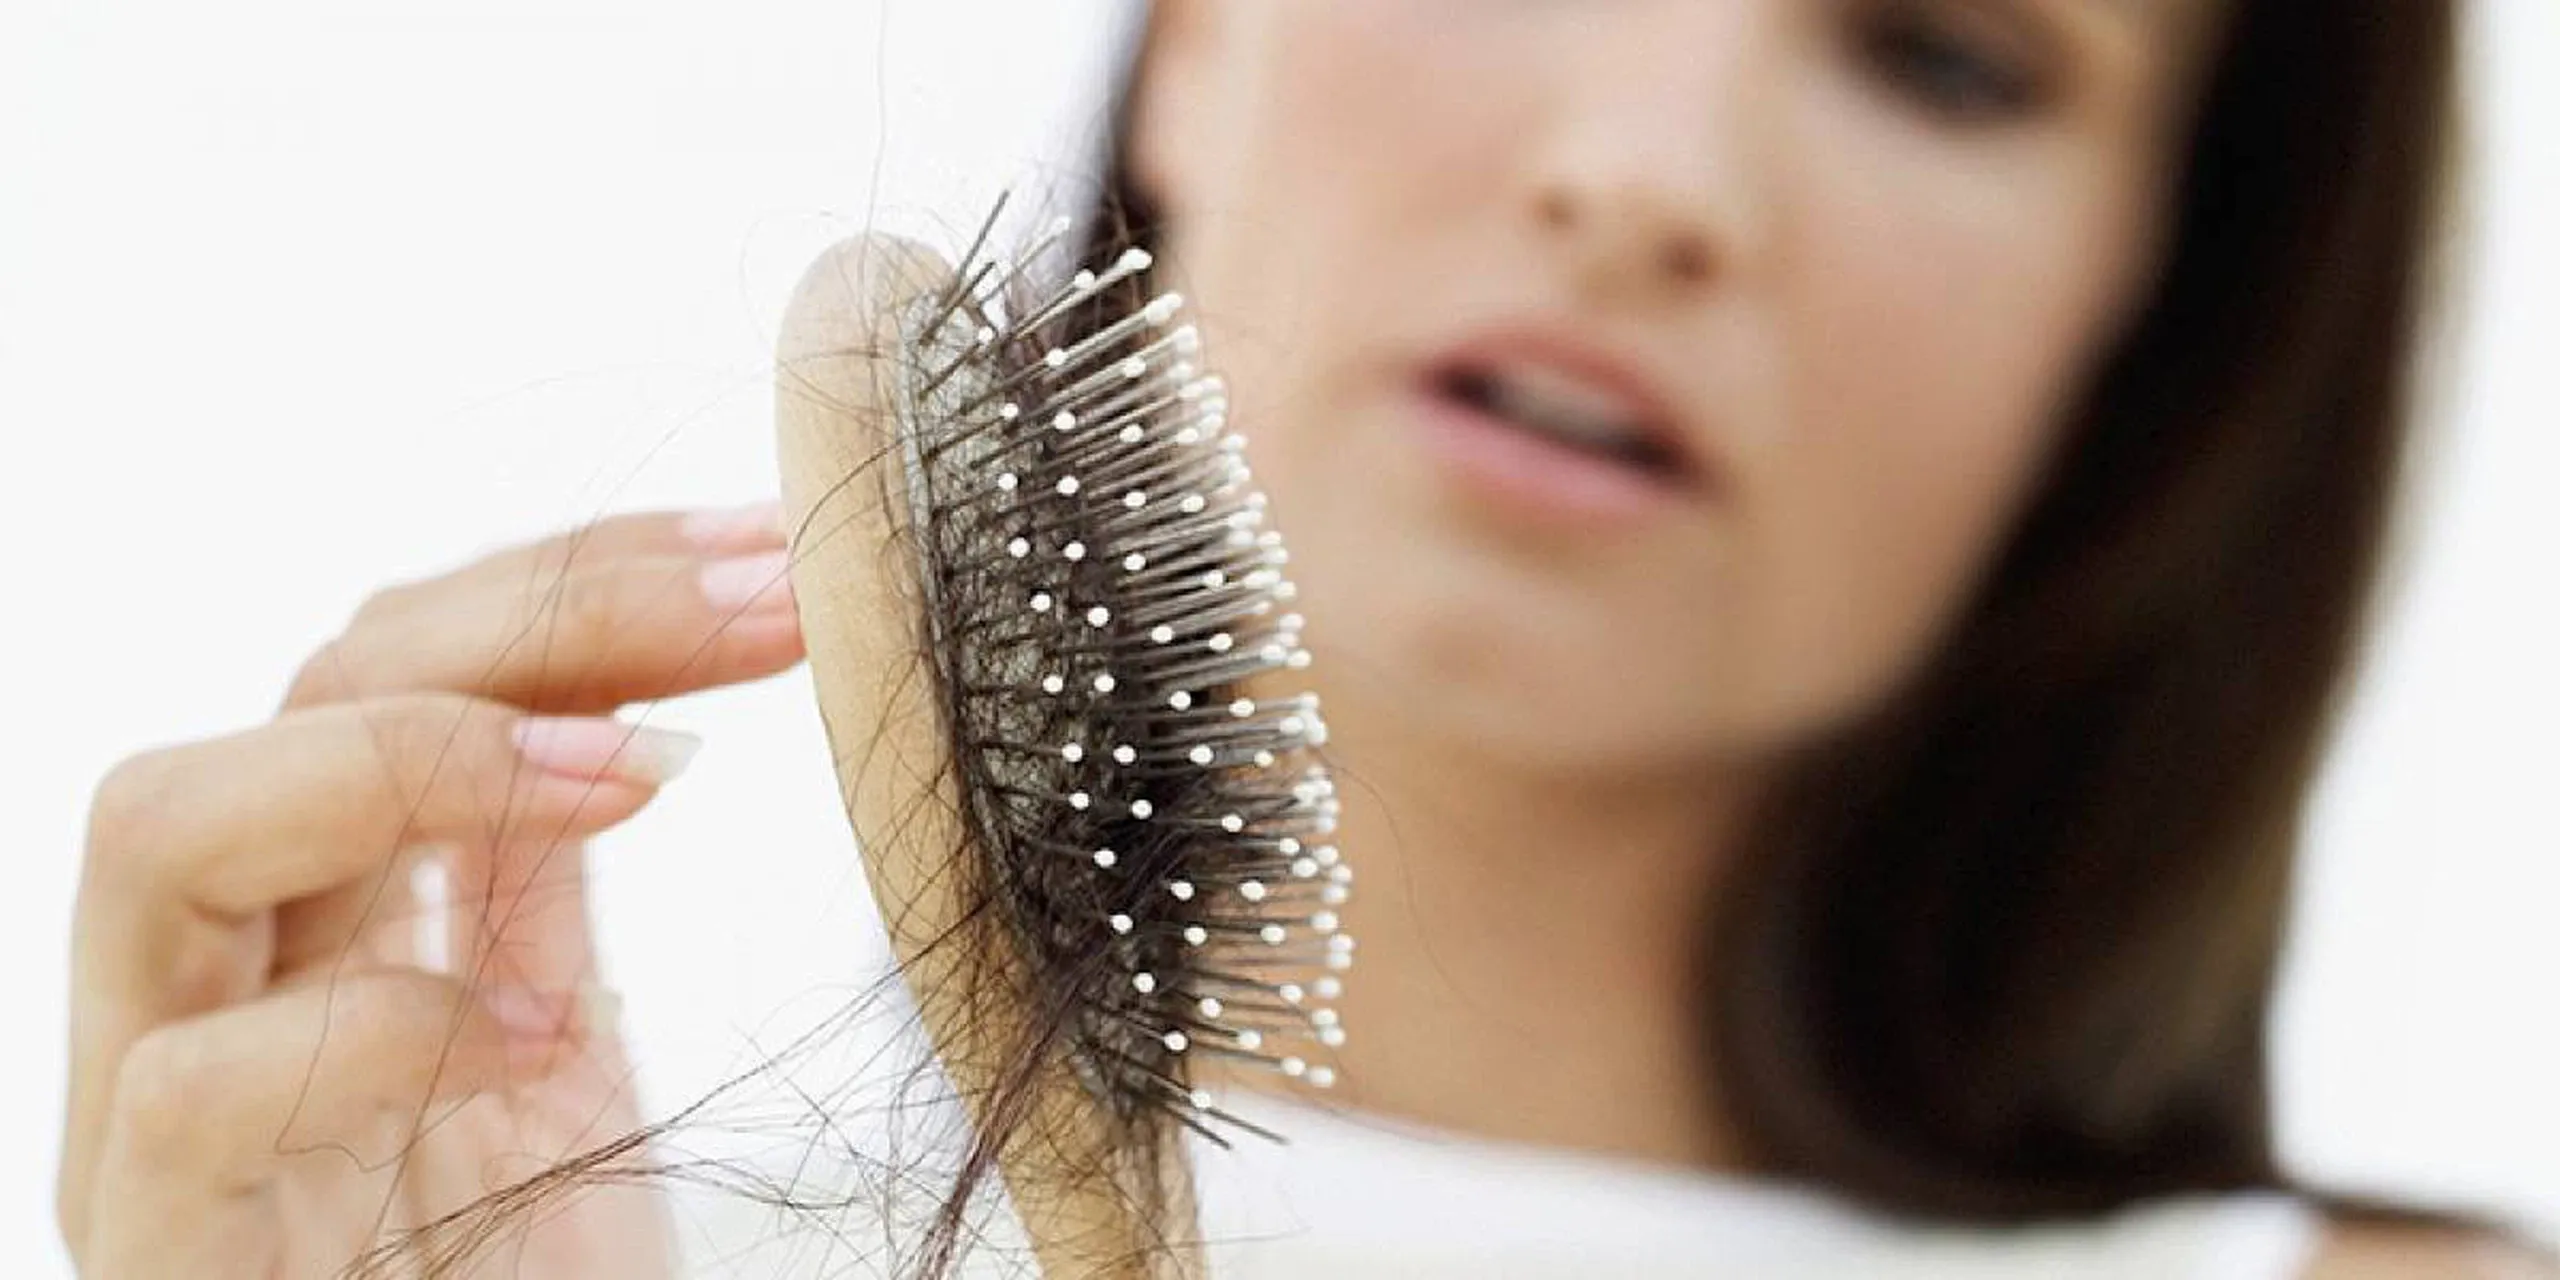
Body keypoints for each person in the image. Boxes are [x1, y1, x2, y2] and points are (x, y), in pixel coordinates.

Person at [54, 1, 2554, 1276]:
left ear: (2156, 310)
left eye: (1939, 53)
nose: (1641, 174)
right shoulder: (521, 1220)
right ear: (1203, 29)